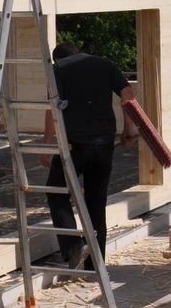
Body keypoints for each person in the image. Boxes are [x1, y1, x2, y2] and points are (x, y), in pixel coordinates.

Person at [44, 41, 135, 269]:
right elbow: (127, 94)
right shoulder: (106, 64)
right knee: (96, 202)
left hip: (76, 146)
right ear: (78, 52)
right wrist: (128, 129)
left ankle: (73, 246)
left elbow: (53, 108)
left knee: (56, 191)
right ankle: (95, 265)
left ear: (58, 58)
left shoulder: (58, 69)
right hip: (104, 143)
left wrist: (48, 145)